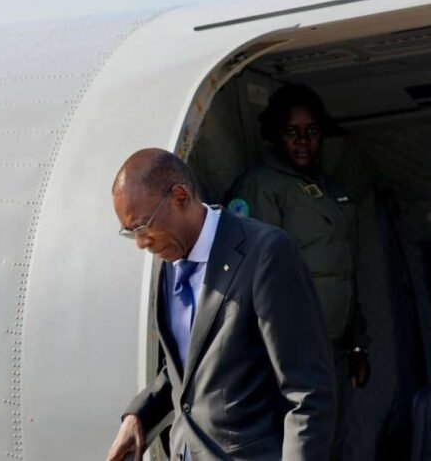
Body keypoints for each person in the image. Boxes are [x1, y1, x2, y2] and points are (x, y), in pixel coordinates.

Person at [106, 148, 334, 461]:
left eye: (143, 226)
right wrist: (139, 417)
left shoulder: (265, 254)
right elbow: (187, 369)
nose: (141, 243)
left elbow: (308, 394)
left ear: (180, 197)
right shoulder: (167, 262)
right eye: (130, 232)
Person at [224, 85, 370, 459]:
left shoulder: (327, 188)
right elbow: (253, 280)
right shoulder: (260, 187)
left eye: (312, 131)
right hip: (290, 358)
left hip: (332, 351)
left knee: (333, 444)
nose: (304, 141)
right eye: (293, 132)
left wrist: (357, 344)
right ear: (275, 134)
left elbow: (342, 269)